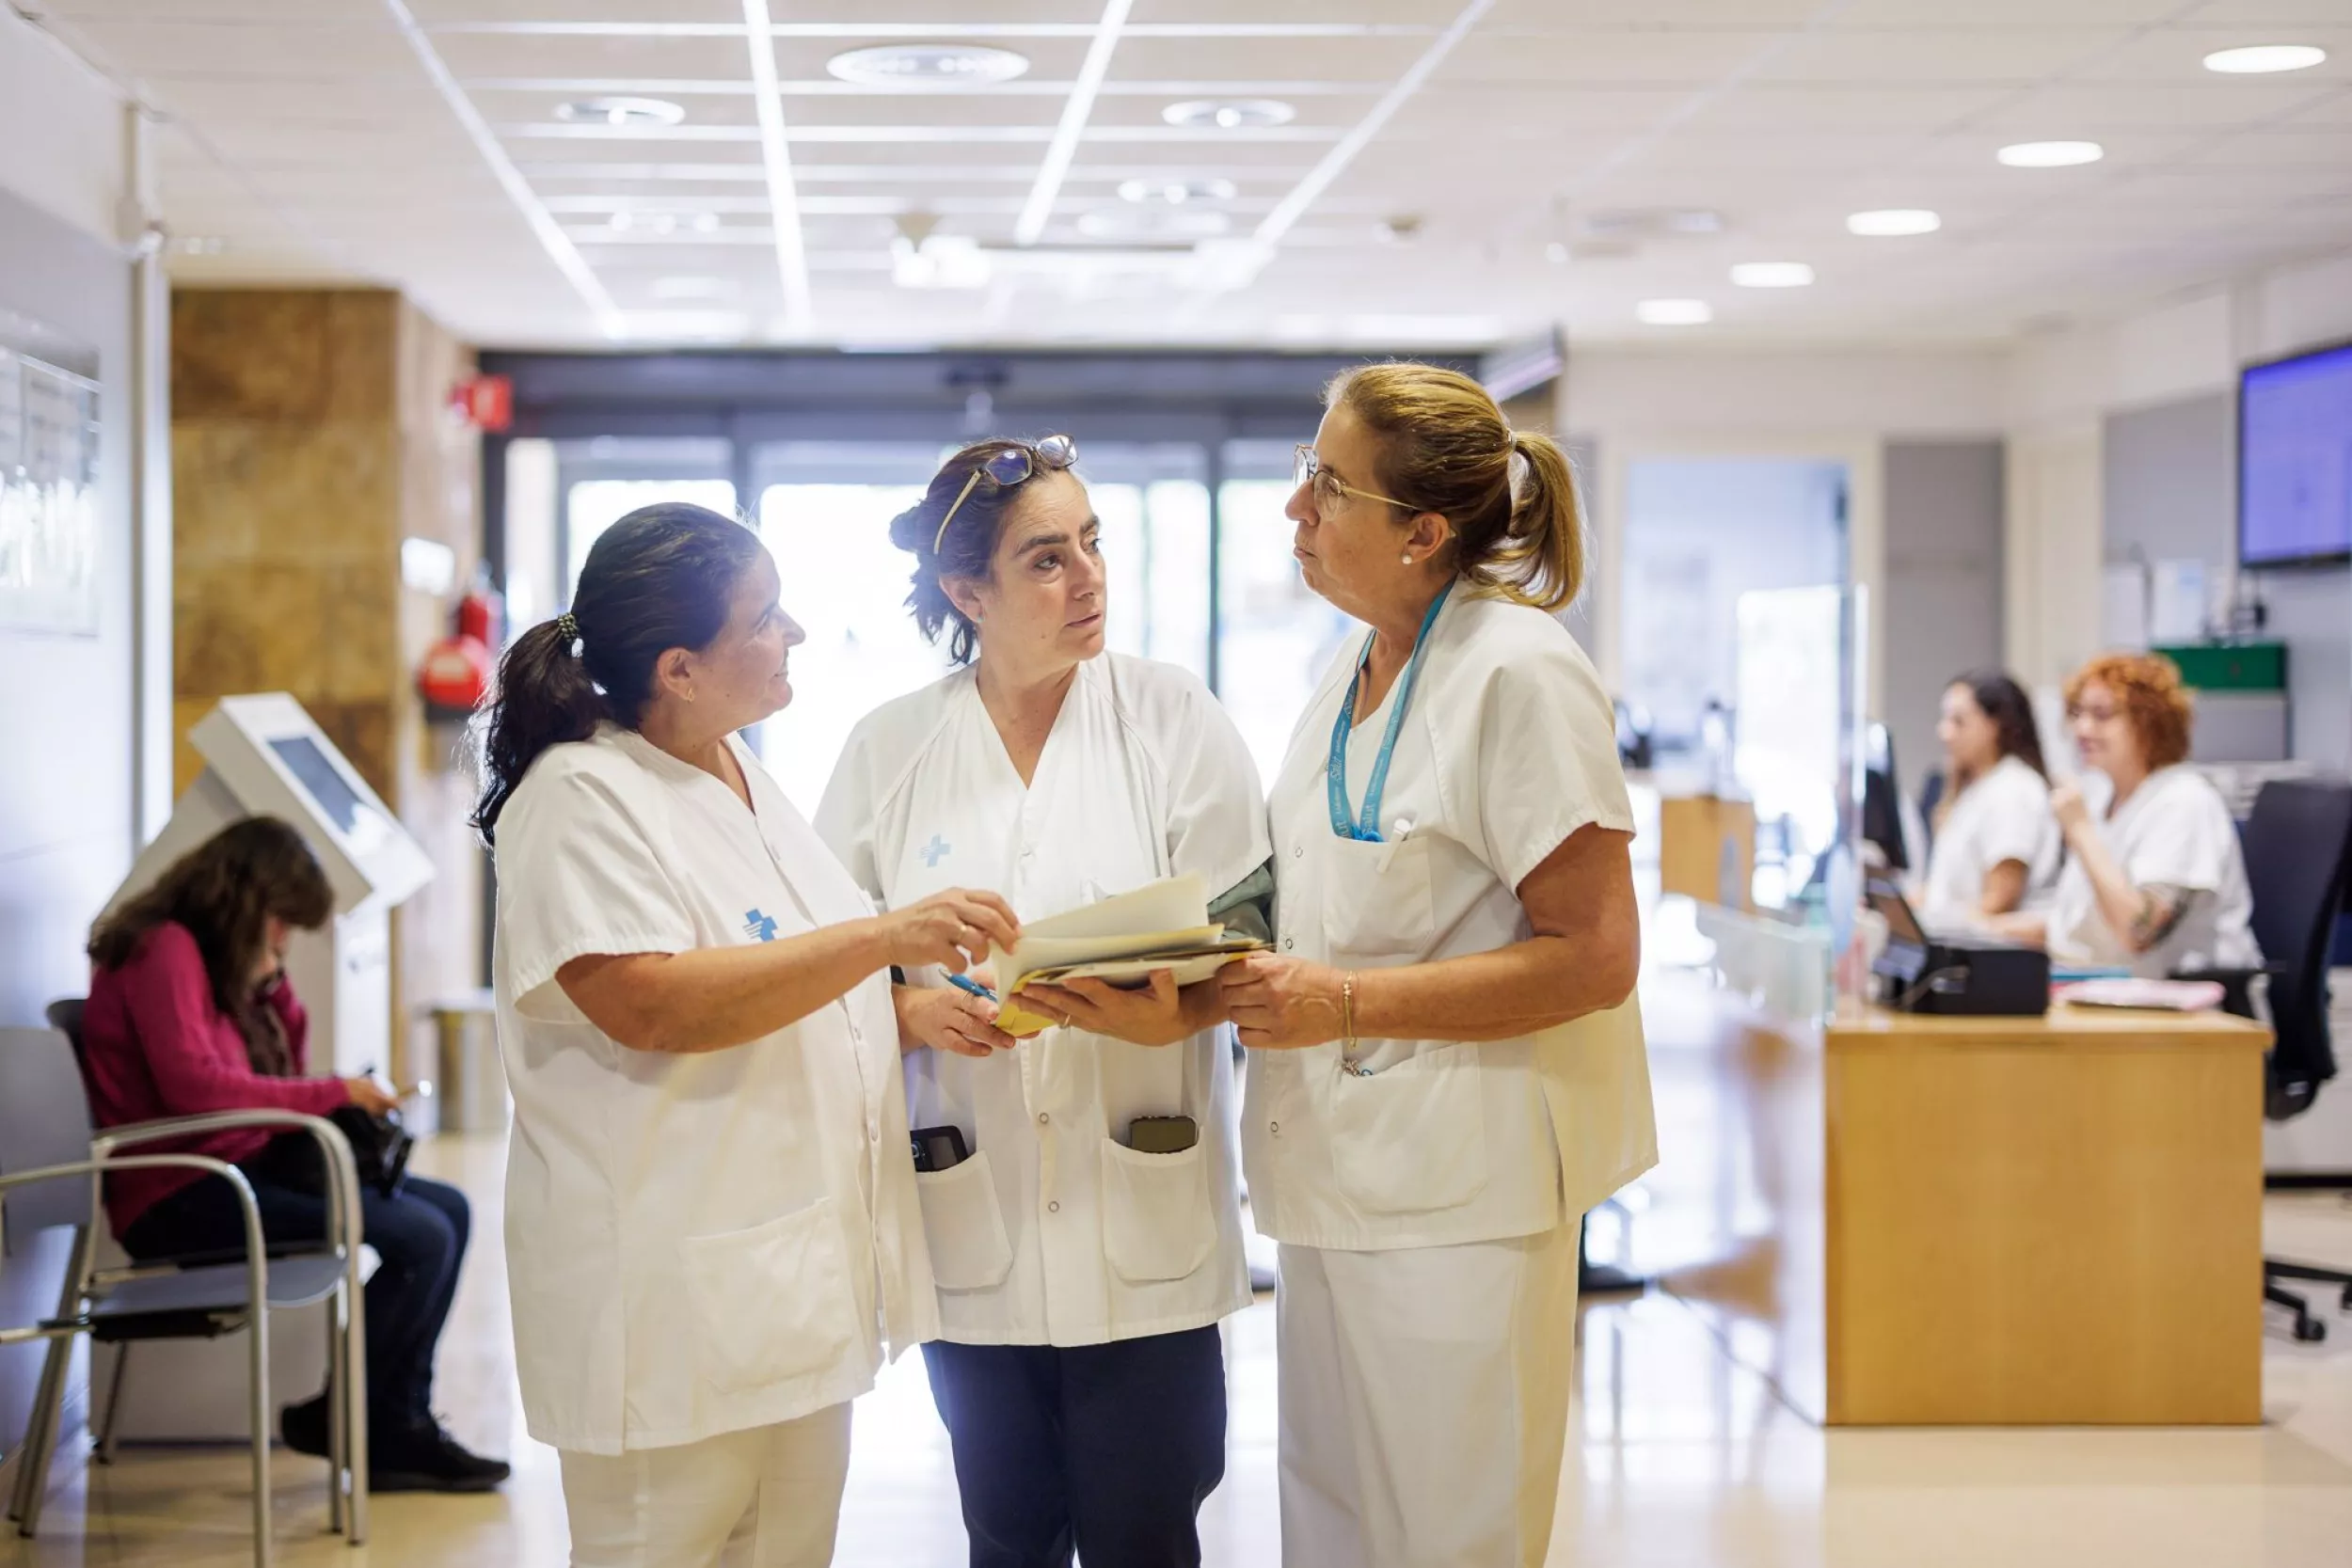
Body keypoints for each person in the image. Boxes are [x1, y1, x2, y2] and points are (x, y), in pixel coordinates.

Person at [474, 502, 1020, 1567]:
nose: (794, 634)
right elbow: (651, 1002)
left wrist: (899, 1012)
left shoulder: (734, 768)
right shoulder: (580, 795)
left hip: (789, 1291)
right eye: (764, 617)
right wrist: (881, 941)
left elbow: (772, 969)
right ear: (678, 666)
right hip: (668, 1306)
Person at [1217, 363, 1655, 1568]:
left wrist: (1342, 1000)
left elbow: (1597, 953)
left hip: (1462, 1191)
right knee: (1336, 1521)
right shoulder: (1349, 677)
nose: (1294, 511)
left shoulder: (1518, 669)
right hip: (1332, 1179)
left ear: (1420, 532)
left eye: (1324, 485)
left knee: (1446, 1534)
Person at [816, 436, 1271, 1568]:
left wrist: (1172, 1007)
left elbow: (1252, 931)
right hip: (973, 1205)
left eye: (1093, 543)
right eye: (1046, 559)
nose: (1089, 578)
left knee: (1146, 1529)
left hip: (1145, 1192)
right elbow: (827, 958)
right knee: (1007, 1529)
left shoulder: (1171, 718)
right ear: (969, 592)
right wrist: (910, 1012)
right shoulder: (890, 751)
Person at [82, 816, 505, 1492]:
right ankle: (374, 1422)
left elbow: (275, 1064)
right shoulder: (162, 948)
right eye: (280, 921)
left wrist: (275, 991)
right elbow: (194, 1086)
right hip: (180, 1193)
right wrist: (334, 1091)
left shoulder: (201, 954)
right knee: (421, 1234)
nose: (281, 938)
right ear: (248, 900)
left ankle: (383, 1419)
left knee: (449, 1209)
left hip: (233, 1170)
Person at [1990, 651, 2258, 979]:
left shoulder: (2183, 801)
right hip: (2096, 985)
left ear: (2151, 722)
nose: (2082, 728)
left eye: (2102, 715)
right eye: (2077, 713)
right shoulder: (2104, 797)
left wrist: (2081, 832)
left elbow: (2137, 931)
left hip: (2181, 1007)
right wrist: (1982, 929)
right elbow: (2078, 925)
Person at [1917, 671, 2059, 929]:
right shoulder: (1978, 788)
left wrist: (1940, 923)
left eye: (1958, 721)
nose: (1944, 732)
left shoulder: (2014, 791)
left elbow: (1998, 901)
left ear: (1995, 725)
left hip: (1987, 955)